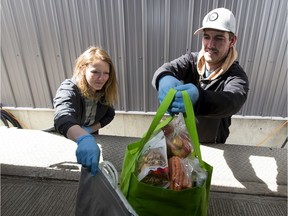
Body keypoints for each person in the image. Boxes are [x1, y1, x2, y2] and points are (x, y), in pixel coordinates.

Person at [152, 8, 249, 144]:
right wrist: (163, 78)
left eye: (219, 38)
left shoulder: (236, 76)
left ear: (232, 41)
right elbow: (167, 68)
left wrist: (200, 100)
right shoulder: (191, 60)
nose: (210, 45)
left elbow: (233, 100)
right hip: (181, 138)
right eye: (206, 36)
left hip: (211, 143)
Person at [53, 46, 118, 175]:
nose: (102, 78)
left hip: (90, 138)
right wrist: (83, 137)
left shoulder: (103, 91)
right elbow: (62, 116)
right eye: (95, 72)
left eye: (106, 73)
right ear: (83, 69)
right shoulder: (69, 88)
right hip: (71, 137)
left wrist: (90, 130)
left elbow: (109, 115)